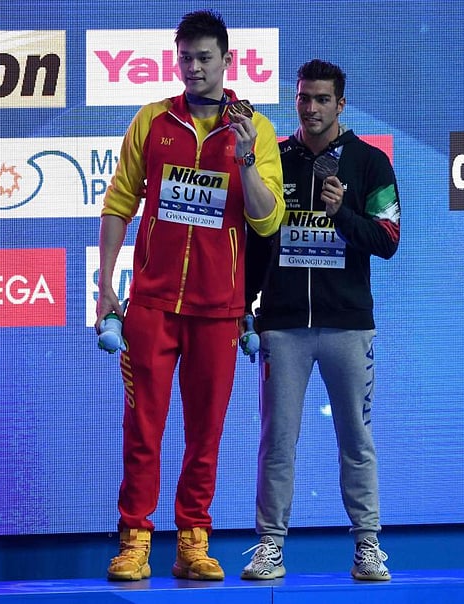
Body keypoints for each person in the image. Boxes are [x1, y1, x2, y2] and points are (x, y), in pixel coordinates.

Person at [95, 9, 285, 582]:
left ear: (228, 61)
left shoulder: (257, 129)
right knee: (142, 431)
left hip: (220, 311)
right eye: (186, 58)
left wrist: (245, 156)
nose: (195, 67)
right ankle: (134, 541)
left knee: (206, 435)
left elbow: (267, 219)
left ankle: (193, 541)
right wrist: (105, 285)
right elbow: (119, 203)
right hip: (152, 306)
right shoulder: (152, 120)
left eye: (205, 58)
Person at [240, 59, 400, 582]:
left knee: (356, 438)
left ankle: (368, 546)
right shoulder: (276, 160)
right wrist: (245, 305)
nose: (311, 108)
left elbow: (388, 240)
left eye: (322, 99)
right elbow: (257, 239)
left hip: (348, 327)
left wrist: (342, 214)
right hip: (283, 326)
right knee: (277, 441)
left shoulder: (370, 162)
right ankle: (269, 546)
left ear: (341, 105)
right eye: (304, 98)